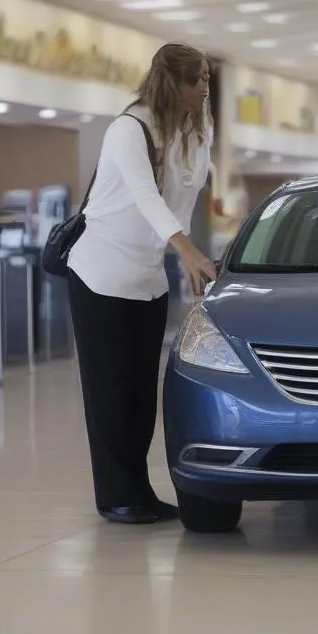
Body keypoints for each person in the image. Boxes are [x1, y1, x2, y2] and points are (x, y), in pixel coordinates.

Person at [67, 43, 219, 525]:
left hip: (147, 278)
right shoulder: (127, 129)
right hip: (100, 273)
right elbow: (147, 198)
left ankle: (140, 491)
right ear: (173, 82)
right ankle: (116, 496)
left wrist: (185, 259)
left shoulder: (195, 131)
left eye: (208, 80)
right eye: (197, 80)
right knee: (110, 391)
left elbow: (185, 198)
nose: (205, 89)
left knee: (138, 394)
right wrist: (189, 252)